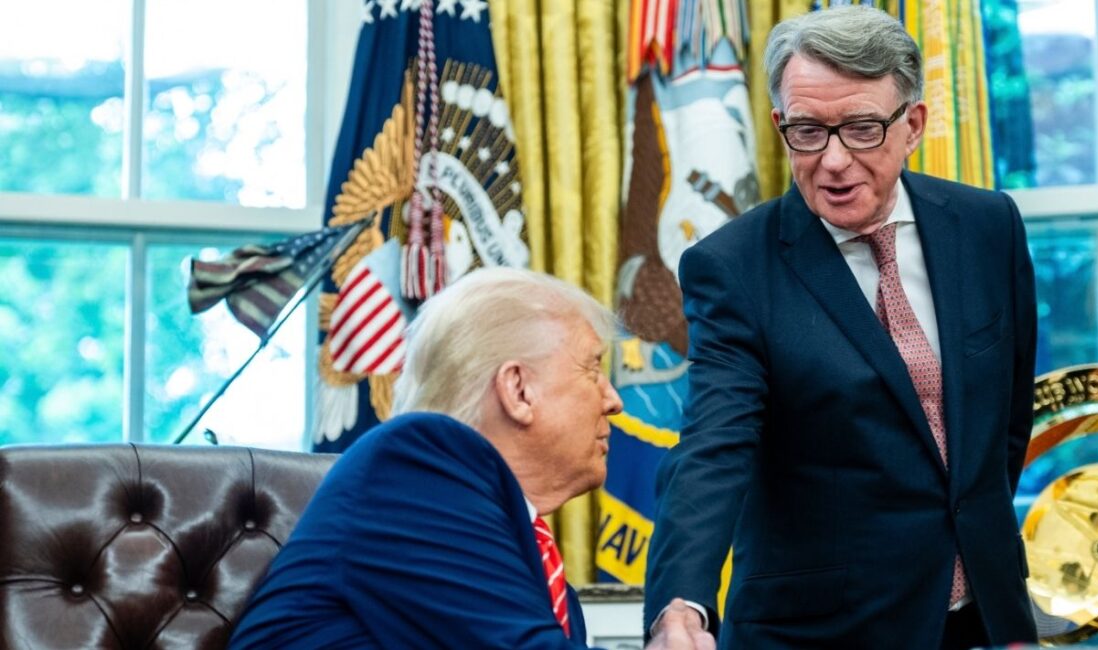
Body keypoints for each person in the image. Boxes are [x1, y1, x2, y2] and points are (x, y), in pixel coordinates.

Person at [642, 6, 1038, 650]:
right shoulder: (732, 268)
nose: (832, 160)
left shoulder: (988, 226)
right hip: (824, 630)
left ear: (912, 125)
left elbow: (1005, 420)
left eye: (860, 129)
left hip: (985, 616)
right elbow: (714, 446)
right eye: (807, 131)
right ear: (779, 125)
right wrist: (680, 606)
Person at [230, 267, 714, 649]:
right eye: (592, 369)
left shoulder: (536, 566)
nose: (614, 401)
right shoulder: (412, 462)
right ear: (518, 389)